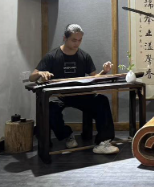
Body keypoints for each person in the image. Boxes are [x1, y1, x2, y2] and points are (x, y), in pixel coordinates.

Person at [28, 23, 118, 154]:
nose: (77, 43)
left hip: (80, 94)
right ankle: (67, 134)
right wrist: (40, 73)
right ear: (65, 38)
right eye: (74, 40)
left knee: (101, 101)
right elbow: (31, 77)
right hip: (60, 96)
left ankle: (103, 142)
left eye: (80, 40)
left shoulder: (84, 56)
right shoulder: (52, 56)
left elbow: (94, 78)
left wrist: (104, 71)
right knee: (49, 109)